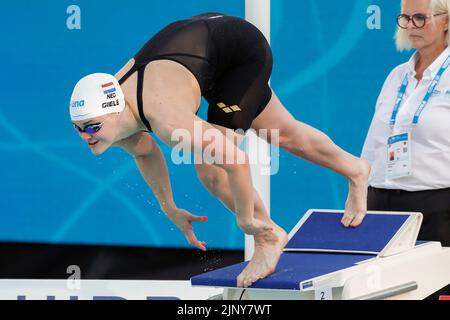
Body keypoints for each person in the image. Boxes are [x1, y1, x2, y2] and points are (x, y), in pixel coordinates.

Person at [70, 13, 370, 288]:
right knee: (286, 133)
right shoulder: (116, 124)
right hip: (204, 54)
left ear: (114, 112)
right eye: (78, 128)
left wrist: (246, 221)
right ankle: (356, 169)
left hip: (239, 53)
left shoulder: (168, 123)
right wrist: (170, 207)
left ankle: (268, 235)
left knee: (211, 171)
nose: (85, 136)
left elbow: (236, 161)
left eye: (92, 127)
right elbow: (145, 153)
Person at [362, 0, 450, 298]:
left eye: (420, 18)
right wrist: (360, 194)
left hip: (438, 208)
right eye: (406, 18)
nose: (411, 26)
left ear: (447, 21)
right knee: (386, 292)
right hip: (382, 208)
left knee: (434, 290)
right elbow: (374, 142)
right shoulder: (397, 75)